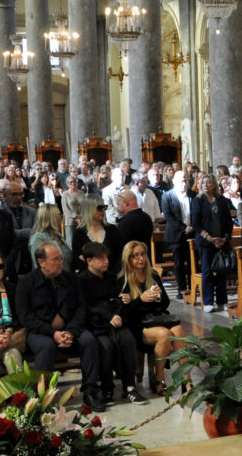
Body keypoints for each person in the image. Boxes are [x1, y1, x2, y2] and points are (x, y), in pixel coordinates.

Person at [17, 242, 104, 411]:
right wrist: (53, 333)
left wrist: (70, 331)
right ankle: (42, 397)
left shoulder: (71, 279)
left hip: (70, 328)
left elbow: (81, 308)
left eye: (60, 258)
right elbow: (25, 318)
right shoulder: (26, 284)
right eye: (55, 259)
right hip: (40, 331)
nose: (60, 262)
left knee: (88, 340)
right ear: (41, 262)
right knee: (46, 346)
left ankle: (90, 391)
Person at [79, 242, 148, 405]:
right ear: (89, 261)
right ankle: (107, 389)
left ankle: (129, 388)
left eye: (106, 257)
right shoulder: (81, 280)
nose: (105, 261)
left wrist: (124, 303)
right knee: (106, 346)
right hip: (97, 325)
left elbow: (121, 301)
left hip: (116, 322)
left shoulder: (113, 278)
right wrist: (109, 316)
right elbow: (86, 307)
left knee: (128, 340)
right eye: (100, 258)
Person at [119, 241, 187, 396]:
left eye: (142, 254)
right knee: (163, 334)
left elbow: (165, 304)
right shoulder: (123, 280)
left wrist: (157, 296)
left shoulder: (153, 274)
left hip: (155, 319)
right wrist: (141, 299)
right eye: (135, 256)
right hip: (136, 325)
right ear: (128, 259)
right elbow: (125, 311)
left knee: (177, 329)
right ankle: (159, 378)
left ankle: (186, 379)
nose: (140, 259)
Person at [191, 173, 233, 313]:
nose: (206, 184)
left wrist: (224, 238)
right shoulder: (198, 201)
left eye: (209, 182)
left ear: (214, 184)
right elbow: (196, 224)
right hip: (206, 242)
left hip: (221, 241)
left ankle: (222, 301)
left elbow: (228, 221)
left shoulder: (221, 200)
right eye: (204, 182)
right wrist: (210, 238)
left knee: (221, 271)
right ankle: (208, 301)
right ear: (200, 185)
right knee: (207, 271)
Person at [0, 250, 24, 379]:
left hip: (9, 339)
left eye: (0, 266)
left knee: (13, 356)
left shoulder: (11, 289)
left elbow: (18, 316)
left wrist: (8, 333)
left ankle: (20, 397)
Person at [161, 170, 194, 299]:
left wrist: (192, 227)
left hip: (192, 233)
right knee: (179, 264)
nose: (184, 182)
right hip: (176, 234)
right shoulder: (167, 196)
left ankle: (192, 287)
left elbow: (197, 213)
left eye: (185, 180)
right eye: (181, 180)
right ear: (174, 181)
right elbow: (168, 216)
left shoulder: (193, 194)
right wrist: (184, 228)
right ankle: (182, 289)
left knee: (192, 262)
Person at [71, 194, 123, 274]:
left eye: (104, 207)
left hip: (111, 278)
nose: (103, 210)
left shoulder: (112, 230)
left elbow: (119, 255)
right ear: (89, 209)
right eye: (99, 208)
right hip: (87, 280)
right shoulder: (79, 233)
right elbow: (77, 258)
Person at [0, 180, 35, 277]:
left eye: (20, 194)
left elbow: (38, 231)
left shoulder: (31, 212)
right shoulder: (0, 213)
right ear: (5, 195)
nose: (18, 197)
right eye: (14, 194)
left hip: (30, 257)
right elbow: (10, 234)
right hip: (11, 261)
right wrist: (30, 231)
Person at [29, 204, 72, 271]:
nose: (61, 217)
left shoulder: (58, 235)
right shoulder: (38, 239)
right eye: (59, 215)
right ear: (51, 218)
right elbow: (38, 266)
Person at [116, 189, 154, 255]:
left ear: (125, 203)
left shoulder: (125, 222)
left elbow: (121, 247)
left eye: (118, 204)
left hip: (131, 260)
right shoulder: (146, 217)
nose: (117, 208)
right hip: (145, 258)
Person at [61, 174, 85, 249]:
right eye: (70, 182)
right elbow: (65, 209)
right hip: (70, 220)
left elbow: (85, 205)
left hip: (82, 219)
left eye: (74, 181)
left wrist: (81, 216)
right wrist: (76, 216)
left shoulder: (81, 193)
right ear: (67, 184)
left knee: (81, 240)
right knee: (71, 241)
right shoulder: (65, 194)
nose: (73, 183)